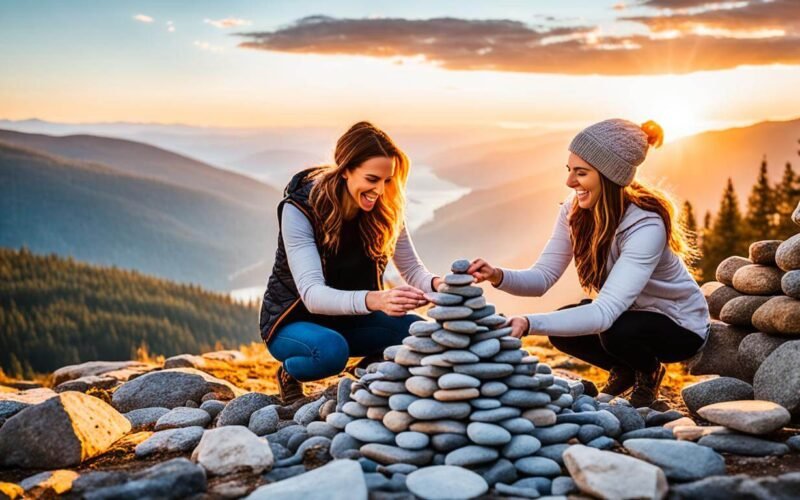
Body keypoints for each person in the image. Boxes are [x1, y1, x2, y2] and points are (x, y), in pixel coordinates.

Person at [467, 118, 710, 408]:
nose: (570, 182)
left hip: (679, 326)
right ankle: (624, 369)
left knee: (613, 331)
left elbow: (605, 313)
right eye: (569, 170)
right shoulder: (575, 210)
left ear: (609, 177)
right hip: (628, 315)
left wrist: (528, 323)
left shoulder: (645, 226)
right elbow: (542, 277)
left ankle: (648, 371)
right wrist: (497, 275)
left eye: (581, 173)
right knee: (563, 328)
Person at [259, 121, 441, 403]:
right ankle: (289, 372)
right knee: (331, 352)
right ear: (345, 170)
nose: (380, 190)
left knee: (422, 334)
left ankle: (369, 369)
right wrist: (377, 300)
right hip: (294, 321)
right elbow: (313, 296)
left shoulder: (386, 208)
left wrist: (441, 286)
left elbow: (413, 270)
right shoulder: (299, 210)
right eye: (372, 179)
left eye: (387, 180)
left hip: (352, 319)